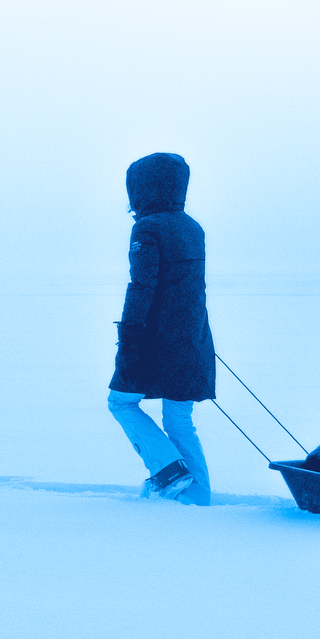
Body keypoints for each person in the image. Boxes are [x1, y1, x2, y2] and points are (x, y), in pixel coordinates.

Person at [108, 151, 213, 503]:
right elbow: (188, 288)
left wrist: (131, 333)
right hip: (193, 339)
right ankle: (197, 497)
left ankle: (168, 470)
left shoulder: (147, 227)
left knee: (120, 403)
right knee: (180, 418)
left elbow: (142, 285)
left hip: (154, 340)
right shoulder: (192, 226)